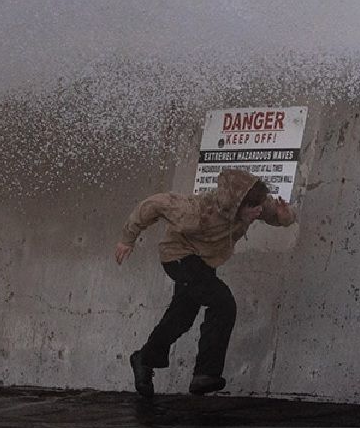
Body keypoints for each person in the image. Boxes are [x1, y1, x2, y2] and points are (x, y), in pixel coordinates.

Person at [115, 168, 298, 397]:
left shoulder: (255, 204)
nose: (259, 212)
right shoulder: (196, 212)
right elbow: (152, 205)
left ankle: (144, 358)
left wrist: (285, 216)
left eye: (260, 206)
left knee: (181, 317)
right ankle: (205, 374)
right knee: (223, 303)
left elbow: (279, 215)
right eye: (253, 209)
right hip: (178, 257)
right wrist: (127, 239)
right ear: (237, 207)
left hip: (204, 263)